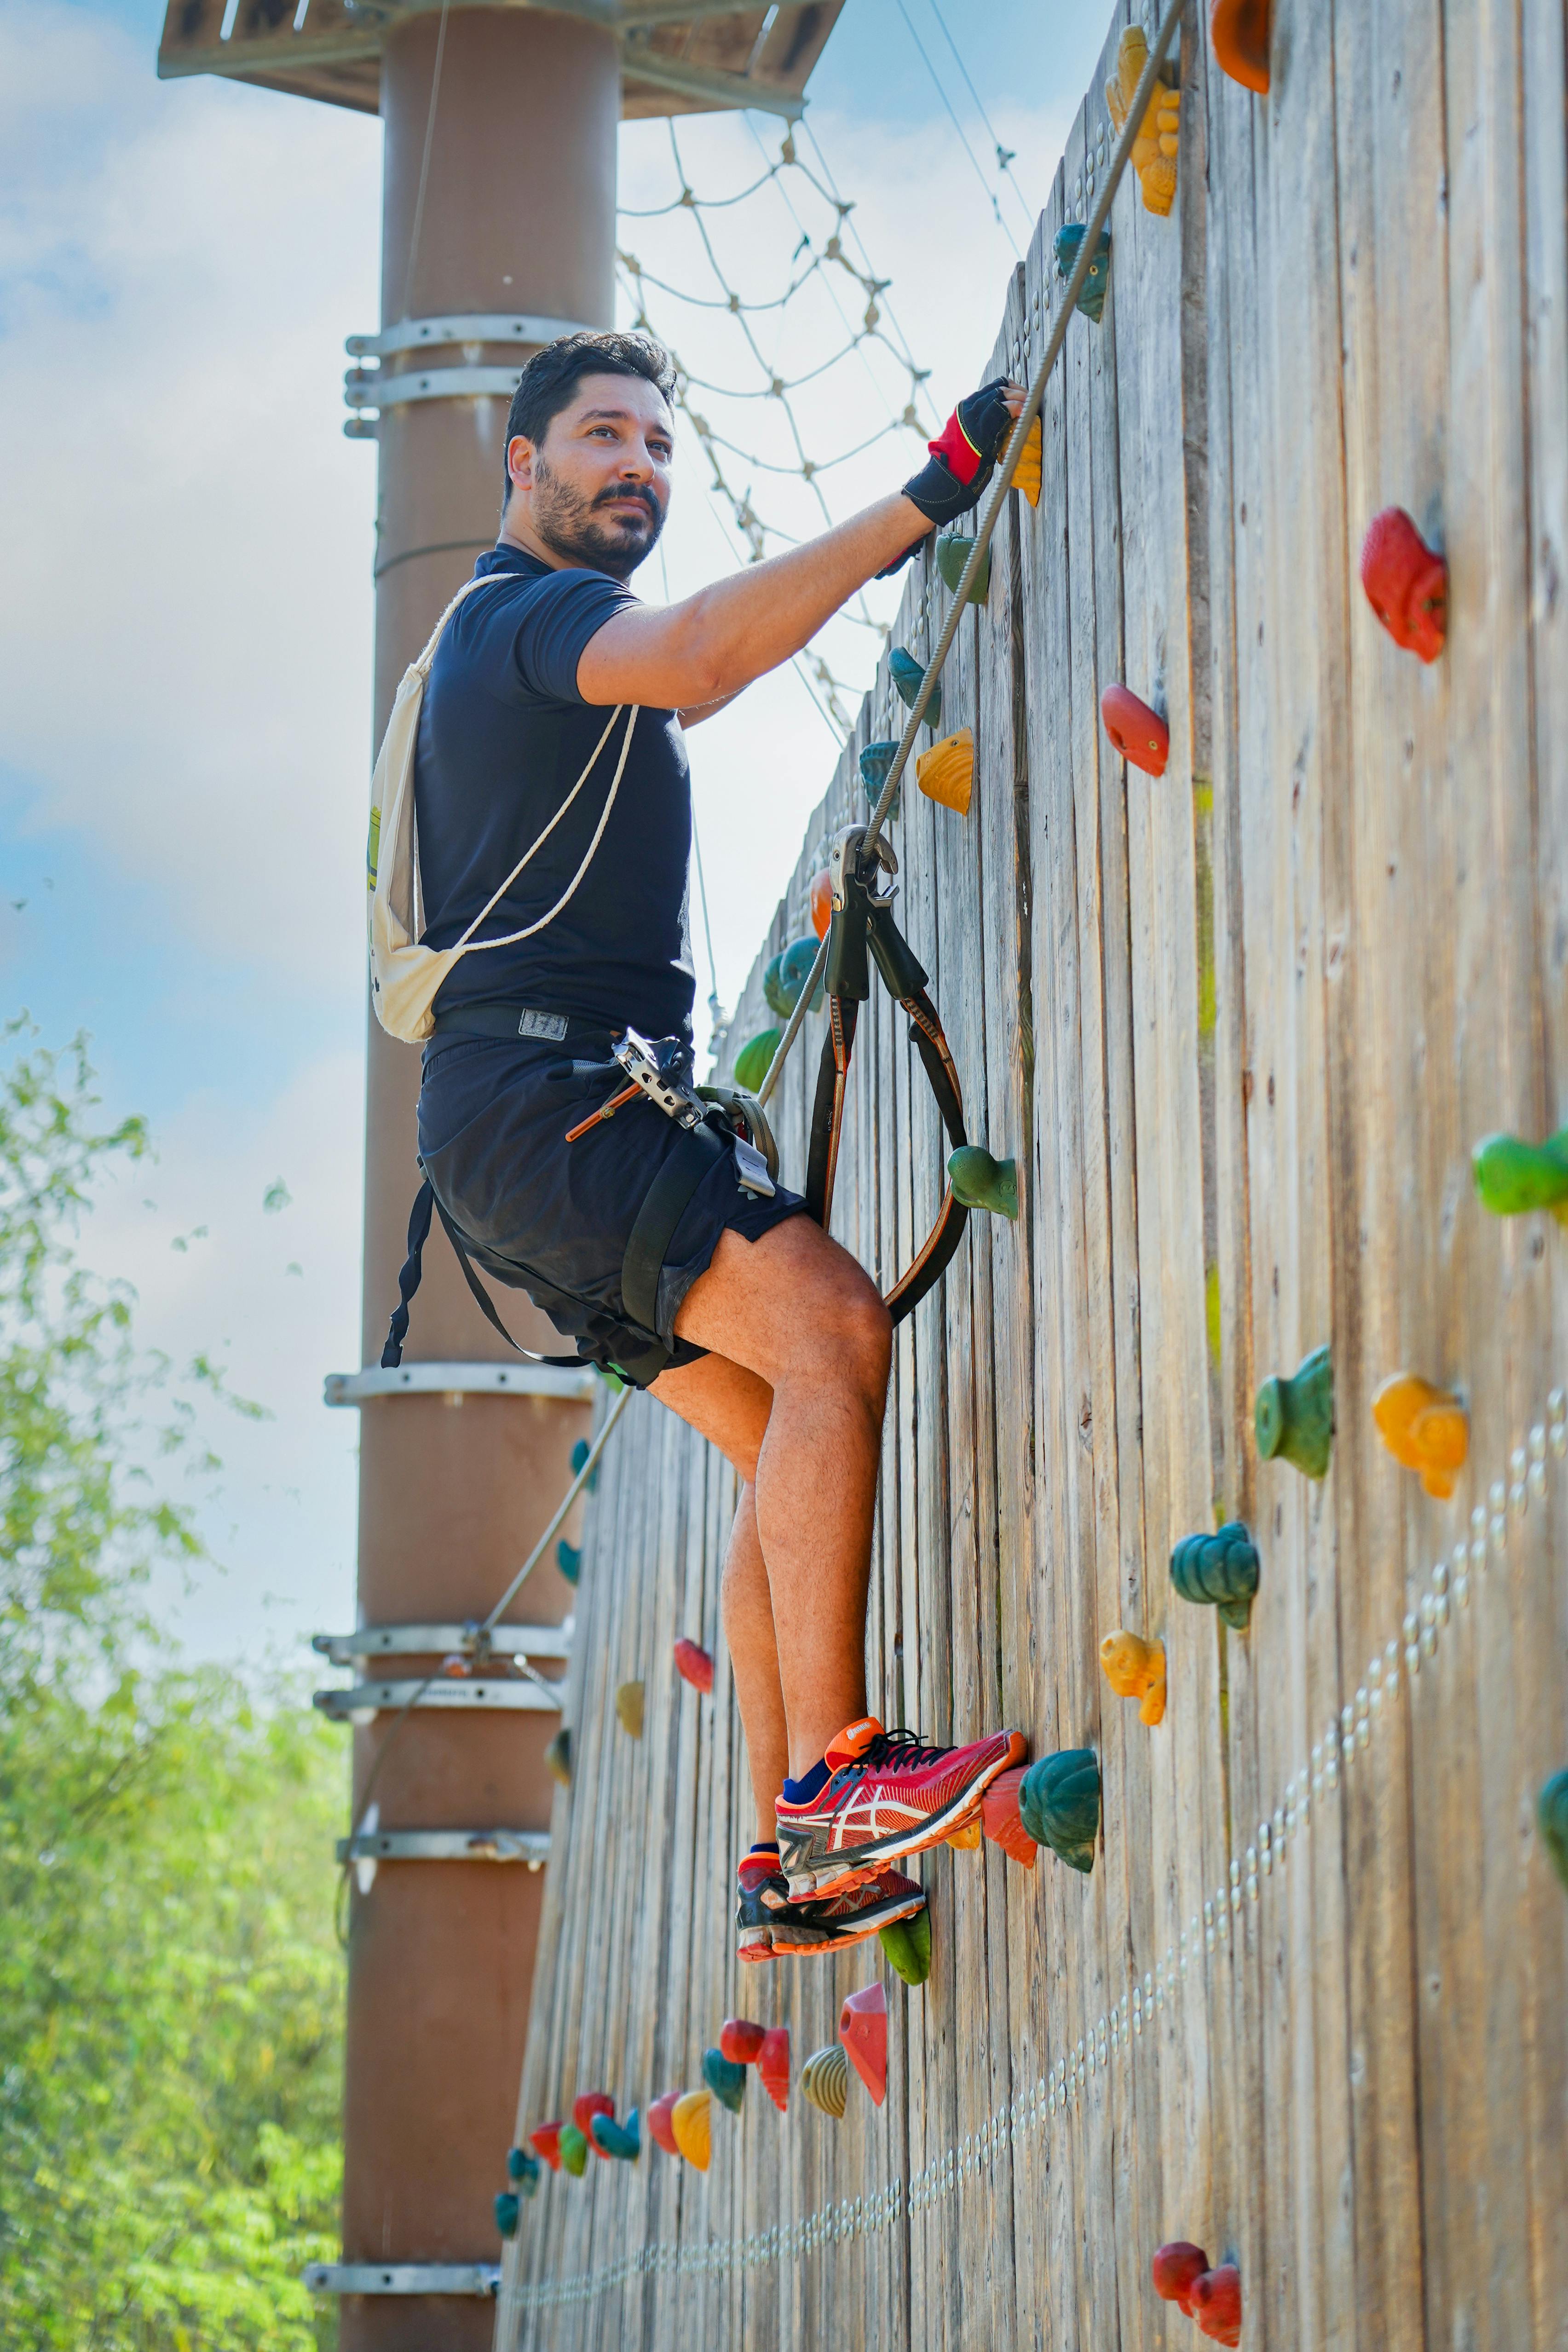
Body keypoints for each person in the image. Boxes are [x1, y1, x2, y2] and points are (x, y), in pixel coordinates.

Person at [406, 329, 1027, 1963]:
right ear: (522, 465)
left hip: (507, 1145)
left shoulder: (510, 638)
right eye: (604, 438)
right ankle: (836, 1780)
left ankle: (792, 1857)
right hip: (554, 1112)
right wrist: (926, 500)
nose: (641, 469)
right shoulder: (529, 622)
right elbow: (694, 658)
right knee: (834, 1328)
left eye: (663, 449)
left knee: (780, 1431)